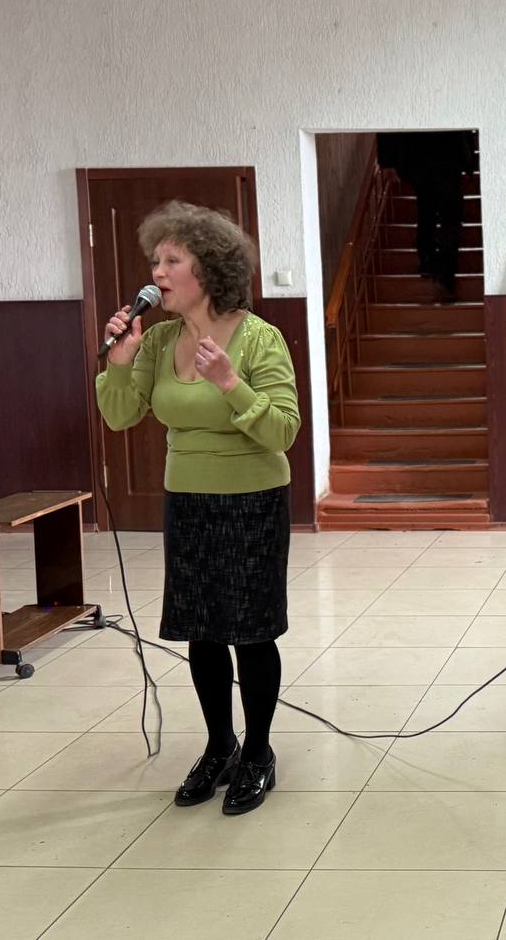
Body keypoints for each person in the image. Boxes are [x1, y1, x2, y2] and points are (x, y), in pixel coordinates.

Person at [95, 200, 300, 816]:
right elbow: (120, 416)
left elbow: (283, 431)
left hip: (253, 500)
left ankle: (258, 751)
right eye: (155, 261)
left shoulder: (259, 338)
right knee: (202, 631)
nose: (156, 273)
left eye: (171, 261)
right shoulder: (157, 340)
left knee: (251, 631)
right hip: (187, 500)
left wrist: (230, 384)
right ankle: (219, 745)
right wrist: (118, 363)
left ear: (207, 270)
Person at [378, 131, 476, 300]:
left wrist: (388, 161)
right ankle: (442, 271)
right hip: (443, 153)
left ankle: (428, 260)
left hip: (422, 154)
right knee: (448, 215)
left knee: (428, 209)